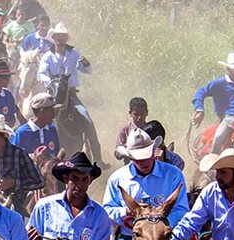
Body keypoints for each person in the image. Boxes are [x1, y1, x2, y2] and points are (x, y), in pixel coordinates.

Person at [99, 129, 189, 240]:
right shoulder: (118, 178)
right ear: (130, 157)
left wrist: (160, 224)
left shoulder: (173, 175)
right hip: (129, 239)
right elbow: (107, 211)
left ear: (154, 152)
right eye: (138, 159)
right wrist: (125, 211)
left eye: (146, 156)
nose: (143, 162)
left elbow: (182, 209)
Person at [37, 22, 104, 164]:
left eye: (63, 36)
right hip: (53, 95)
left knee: (86, 118)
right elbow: (41, 74)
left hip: (71, 95)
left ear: (66, 38)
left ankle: (98, 159)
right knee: (37, 115)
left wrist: (86, 64)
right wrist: (52, 83)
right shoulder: (47, 56)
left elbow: (88, 70)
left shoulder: (74, 54)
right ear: (53, 37)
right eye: (58, 36)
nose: (60, 39)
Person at [10, 92, 61, 156]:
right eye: (51, 111)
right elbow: (13, 156)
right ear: (42, 112)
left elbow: (57, 154)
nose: (54, 115)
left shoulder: (52, 130)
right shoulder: (21, 133)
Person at [115, 97, 149, 163]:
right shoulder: (125, 130)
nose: (139, 117)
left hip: (148, 166)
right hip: (130, 167)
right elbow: (117, 154)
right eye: (135, 114)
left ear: (147, 113)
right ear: (130, 113)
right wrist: (125, 150)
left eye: (142, 113)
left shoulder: (152, 129)